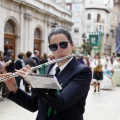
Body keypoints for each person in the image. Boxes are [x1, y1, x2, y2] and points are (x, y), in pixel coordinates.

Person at [4, 26, 92, 120]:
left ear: (72, 45)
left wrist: (35, 80)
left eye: (63, 44)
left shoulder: (82, 72)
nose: (59, 50)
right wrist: (14, 89)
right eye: (54, 46)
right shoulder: (46, 68)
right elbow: (34, 105)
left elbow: (61, 103)